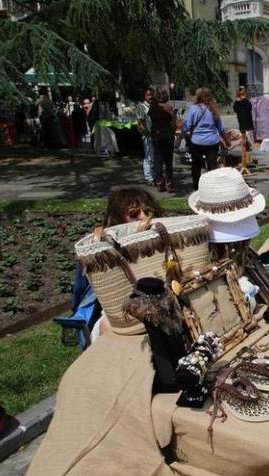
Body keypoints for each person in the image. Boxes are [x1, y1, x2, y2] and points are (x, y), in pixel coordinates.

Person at [68, 186, 165, 350]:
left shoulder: (163, 238)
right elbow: (81, 295)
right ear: (118, 218)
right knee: (110, 325)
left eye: (147, 211)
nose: (143, 217)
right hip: (116, 313)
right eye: (134, 214)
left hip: (158, 304)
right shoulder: (99, 248)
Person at [183, 87, 228, 190]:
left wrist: (180, 135)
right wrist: (226, 139)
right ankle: (212, 188)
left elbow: (187, 125)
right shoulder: (214, 109)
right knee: (212, 166)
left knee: (196, 166)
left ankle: (196, 187)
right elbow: (220, 127)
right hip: (212, 142)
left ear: (197, 96)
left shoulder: (193, 109)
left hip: (197, 142)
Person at [149, 87, 177, 193]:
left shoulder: (153, 108)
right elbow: (173, 123)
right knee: (168, 161)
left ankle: (160, 182)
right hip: (167, 135)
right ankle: (169, 183)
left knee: (158, 160)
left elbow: (151, 121)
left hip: (156, 136)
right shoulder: (168, 108)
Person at [136, 88, 155, 186]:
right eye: (148, 95)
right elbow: (140, 122)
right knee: (148, 157)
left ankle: (155, 176)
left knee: (155, 157)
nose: (150, 96)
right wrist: (145, 133)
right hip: (148, 136)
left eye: (152, 94)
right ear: (145, 96)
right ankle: (149, 178)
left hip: (156, 135)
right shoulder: (141, 106)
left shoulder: (154, 105)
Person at [233, 86, 254, 169]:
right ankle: (244, 162)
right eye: (240, 93)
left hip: (247, 124)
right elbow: (235, 109)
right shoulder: (237, 102)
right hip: (242, 124)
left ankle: (246, 162)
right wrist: (238, 100)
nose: (242, 94)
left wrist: (244, 99)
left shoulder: (247, 102)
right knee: (244, 143)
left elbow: (249, 108)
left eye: (243, 93)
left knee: (247, 143)